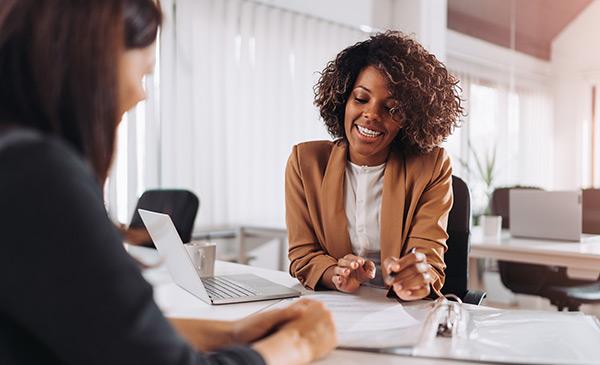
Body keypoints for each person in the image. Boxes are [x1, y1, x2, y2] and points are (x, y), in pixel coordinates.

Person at [0, 1, 336, 364]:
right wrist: (298, 345)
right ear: (93, 60)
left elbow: (109, 332)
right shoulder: (39, 175)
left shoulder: (18, 161)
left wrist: (234, 333)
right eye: (144, 73)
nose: (141, 94)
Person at [286, 31, 463, 301]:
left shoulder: (432, 166)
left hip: (402, 312)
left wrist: (417, 278)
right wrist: (335, 275)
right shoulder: (305, 162)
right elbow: (303, 255)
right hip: (336, 307)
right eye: (361, 98)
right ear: (343, 99)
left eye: (392, 108)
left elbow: (429, 259)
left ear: (409, 119)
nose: (371, 115)